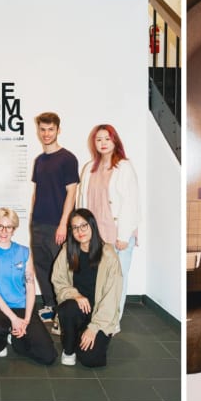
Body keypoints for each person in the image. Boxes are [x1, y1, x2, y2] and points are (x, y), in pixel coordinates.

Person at [76, 124, 139, 329]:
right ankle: (97, 318)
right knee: (96, 278)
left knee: (116, 281)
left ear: (115, 142)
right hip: (95, 235)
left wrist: (123, 235)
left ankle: (113, 322)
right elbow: (81, 202)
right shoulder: (89, 168)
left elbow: (131, 202)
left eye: (107, 139)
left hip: (117, 234)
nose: (103, 143)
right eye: (99, 139)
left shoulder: (124, 167)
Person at [0, 208, 57, 365]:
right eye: (0, 226)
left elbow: (30, 285)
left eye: (9, 227)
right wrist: (14, 320)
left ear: (14, 229)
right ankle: (1, 339)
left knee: (48, 356)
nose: (4, 231)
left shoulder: (24, 252)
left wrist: (26, 319)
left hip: (21, 306)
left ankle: (14, 338)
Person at [51, 208, 122, 367]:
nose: (80, 231)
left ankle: (82, 335)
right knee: (67, 308)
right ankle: (68, 350)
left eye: (84, 225)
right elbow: (58, 280)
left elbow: (112, 297)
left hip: (100, 315)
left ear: (92, 226)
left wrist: (94, 327)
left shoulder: (109, 255)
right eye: (75, 227)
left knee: (90, 360)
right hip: (77, 310)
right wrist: (75, 295)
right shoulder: (67, 250)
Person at [30, 112, 80, 324]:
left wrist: (63, 225)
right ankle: (50, 306)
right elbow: (37, 192)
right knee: (42, 268)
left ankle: (64, 311)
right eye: (43, 129)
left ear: (58, 130)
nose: (46, 133)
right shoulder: (39, 160)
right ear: (38, 130)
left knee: (61, 271)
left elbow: (72, 192)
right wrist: (32, 219)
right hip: (38, 224)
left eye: (51, 129)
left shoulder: (67, 158)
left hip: (57, 225)